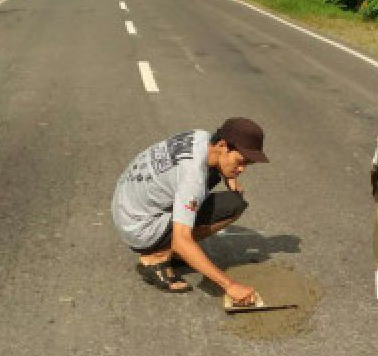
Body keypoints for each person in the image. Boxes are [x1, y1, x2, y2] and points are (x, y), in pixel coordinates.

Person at [112, 118, 269, 305]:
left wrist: (230, 175)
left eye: (247, 165)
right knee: (233, 205)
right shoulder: (192, 177)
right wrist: (230, 285)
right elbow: (181, 240)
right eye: (240, 162)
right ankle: (155, 257)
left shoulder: (202, 138)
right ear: (222, 145)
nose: (242, 169)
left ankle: (168, 247)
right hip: (140, 228)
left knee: (213, 174)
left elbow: (208, 166)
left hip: (125, 206)